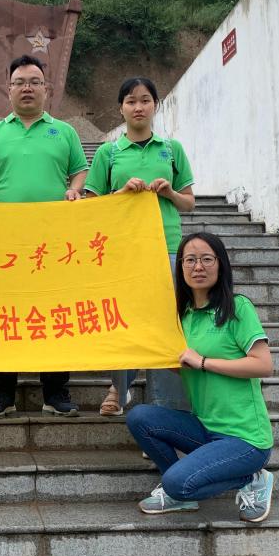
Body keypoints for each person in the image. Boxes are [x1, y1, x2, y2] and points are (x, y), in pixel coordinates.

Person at [0, 54, 89, 418]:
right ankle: (2, 394)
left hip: (52, 244)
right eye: (20, 82)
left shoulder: (64, 131)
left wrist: (74, 190)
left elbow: (80, 171)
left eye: (34, 82)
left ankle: (56, 392)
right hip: (4, 243)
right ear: (8, 90)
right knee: (3, 314)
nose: (27, 88)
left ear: (46, 89)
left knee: (54, 313)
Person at [126, 232, 276, 523]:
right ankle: (179, 496)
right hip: (205, 429)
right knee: (140, 417)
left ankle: (252, 477)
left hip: (245, 439)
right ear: (180, 267)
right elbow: (186, 367)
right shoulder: (182, 316)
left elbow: (263, 364)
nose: (198, 267)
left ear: (220, 265)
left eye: (207, 259)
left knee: (177, 483)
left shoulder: (237, 308)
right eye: (190, 260)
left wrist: (204, 362)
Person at [84, 77, 195, 416]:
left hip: (167, 246)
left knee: (167, 323)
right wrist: (120, 194)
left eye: (145, 100)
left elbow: (189, 202)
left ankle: (166, 406)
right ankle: (119, 388)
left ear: (155, 106)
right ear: (121, 108)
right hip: (123, 249)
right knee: (125, 320)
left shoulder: (171, 149)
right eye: (131, 101)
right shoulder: (108, 152)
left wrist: (170, 193)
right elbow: (91, 206)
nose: (138, 107)